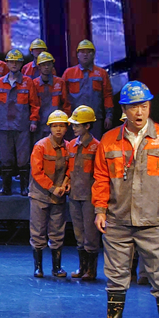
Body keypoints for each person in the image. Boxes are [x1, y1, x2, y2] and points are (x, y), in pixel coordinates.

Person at [93, 81, 159, 318]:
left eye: (144, 106)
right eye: (133, 107)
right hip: (117, 221)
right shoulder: (110, 140)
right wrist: (100, 209)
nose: (139, 112)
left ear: (149, 107)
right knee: (116, 278)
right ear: (124, 110)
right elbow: (101, 178)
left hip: (153, 221)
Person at [0, 49, 40, 196]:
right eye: (11, 62)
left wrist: (33, 120)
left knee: (23, 157)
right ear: (6, 63)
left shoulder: (28, 82)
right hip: (4, 126)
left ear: (21, 64)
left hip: (22, 126)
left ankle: (24, 187)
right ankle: (6, 188)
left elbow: (35, 104)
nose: (14, 64)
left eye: (17, 62)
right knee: (5, 158)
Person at [29, 110, 70, 278]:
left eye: (61, 126)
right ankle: (38, 267)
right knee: (38, 231)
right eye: (54, 126)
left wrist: (66, 184)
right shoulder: (41, 146)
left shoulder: (68, 147)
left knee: (57, 232)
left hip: (58, 196)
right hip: (40, 195)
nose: (58, 129)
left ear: (66, 127)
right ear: (49, 128)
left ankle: (56, 267)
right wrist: (53, 188)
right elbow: (37, 172)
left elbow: (71, 169)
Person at [66, 105, 100, 281]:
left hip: (89, 197)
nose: (73, 128)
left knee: (91, 234)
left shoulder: (96, 147)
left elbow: (100, 174)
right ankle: (82, 267)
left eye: (77, 125)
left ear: (87, 126)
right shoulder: (71, 145)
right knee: (78, 232)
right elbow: (69, 170)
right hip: (74, 196)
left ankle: (91, 270)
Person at [63, 39, 113, 140]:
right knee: (74, 145)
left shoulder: (101, 73)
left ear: (93, 55)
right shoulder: (69, 73)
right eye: (82, 52)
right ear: (77, 55)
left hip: (95, 119)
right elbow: (63, 97)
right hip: (74, 119)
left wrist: (109, 116)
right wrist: (65, 117)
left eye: (89, 52)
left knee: (95, 144)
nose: (85, 55)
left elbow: (107, 95)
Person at [32, 52, 69, 141]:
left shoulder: (60, 82)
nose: (46, 67)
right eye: (43, 65)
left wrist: (66, 121)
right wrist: (33, 121)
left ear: (52, 65)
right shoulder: (34, 84)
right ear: (39, 67)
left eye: (48, 64)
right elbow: (33, 105)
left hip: (57, 124)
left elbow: (66, 104)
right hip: (39, 125)